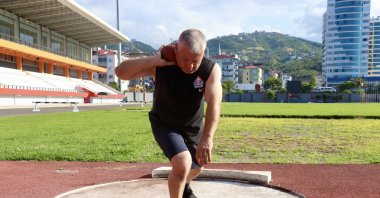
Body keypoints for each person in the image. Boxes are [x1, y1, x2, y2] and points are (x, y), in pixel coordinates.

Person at [115, 29, 222, 198]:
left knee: (196, 167)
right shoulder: (162, 64)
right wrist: (152, 60)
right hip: (165, 123)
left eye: (196, 60)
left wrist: (207, 138)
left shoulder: (210, 69)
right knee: (182, 163)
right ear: (176, 49)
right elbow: (120, 72)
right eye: (186, 59)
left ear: (204, 54)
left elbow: (214, 104)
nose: (191, 65)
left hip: (192, 127)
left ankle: (184, 186)